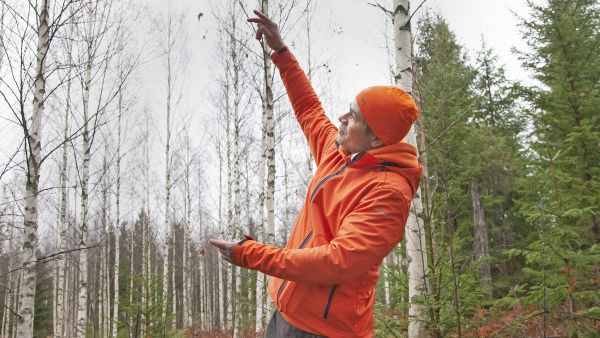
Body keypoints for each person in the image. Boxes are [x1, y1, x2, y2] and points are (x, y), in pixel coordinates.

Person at [210, 10, 422, 338]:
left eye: (352, 117)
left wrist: (252, 254)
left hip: (325, 330)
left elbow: (335, 262)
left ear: (376, 138)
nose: (341, 118)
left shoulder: (388, 194)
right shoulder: (338, 152)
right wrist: (281, 51)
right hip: (286, 311)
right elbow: (309, 109)